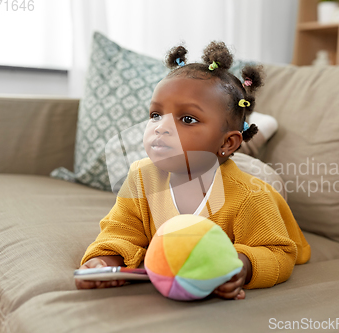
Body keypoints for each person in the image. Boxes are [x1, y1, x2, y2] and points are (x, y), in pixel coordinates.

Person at [75, 41, 311, 300]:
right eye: (155, 115)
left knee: (262, 177)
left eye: (187, 119)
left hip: (259, 183)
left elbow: (277, 251)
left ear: (227, 142)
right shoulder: (141, 177)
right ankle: (250, 137)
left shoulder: (251, 196)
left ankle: (257, 134)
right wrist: (105, 259)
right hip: (220, 155)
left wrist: (243, 266)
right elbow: (121, 229)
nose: (161, 127)